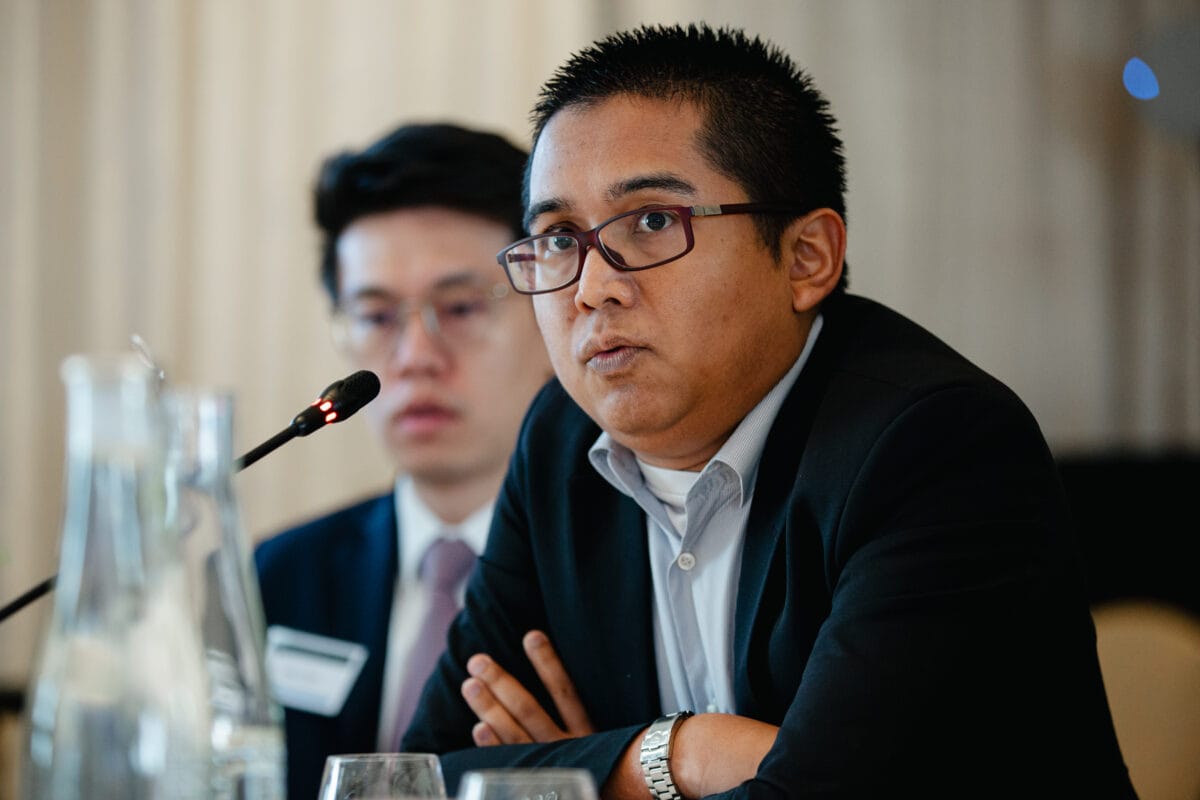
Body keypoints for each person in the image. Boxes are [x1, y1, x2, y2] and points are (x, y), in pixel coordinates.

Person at [400, 24, 1138, 799]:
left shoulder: (936, 446)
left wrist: (589, 774)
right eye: (557, 238)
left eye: (653, 222)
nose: (591, 289)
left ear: (806, 258)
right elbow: (417, 780)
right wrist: (679, 754)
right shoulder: (560, 436)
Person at [254, 122, 553, 800]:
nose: (416, 356)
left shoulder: (626, 571)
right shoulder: (285, 574)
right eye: (377, 316)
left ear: (550, 309)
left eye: (461, 307)